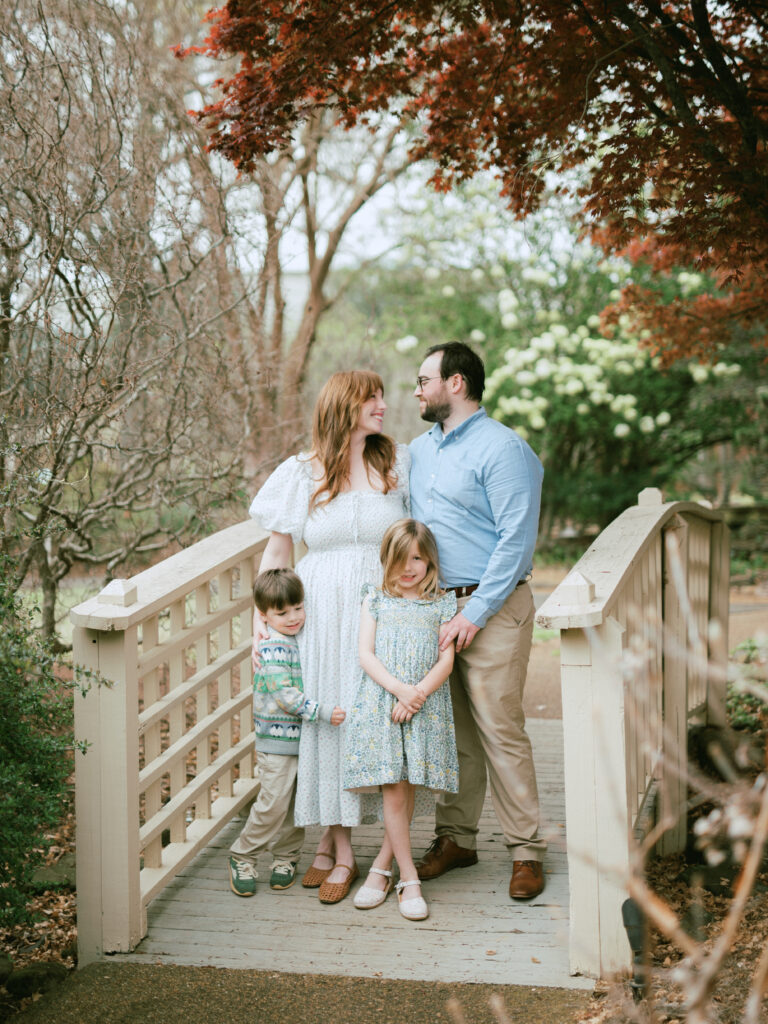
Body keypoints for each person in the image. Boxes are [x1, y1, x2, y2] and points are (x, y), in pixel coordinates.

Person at [248, 370, 410, 904]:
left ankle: (356, 846)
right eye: (373, 398)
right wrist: (262, 625)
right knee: (330, 717)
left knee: (370, 719)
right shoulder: (302, 471)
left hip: (380, 609)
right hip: (319, 610)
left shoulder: (395, 463)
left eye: (383, 396)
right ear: (346, 405)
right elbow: (277, 555)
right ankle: (340, 849)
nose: (383, 405)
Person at [409, 341, 547, 900]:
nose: (416, 391)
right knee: (456, 733)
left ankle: (526, 850)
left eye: (424, 380)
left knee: (500, 729)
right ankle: (457, 839)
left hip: (493, 606)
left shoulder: (505, 449)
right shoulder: (418, 450)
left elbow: (516, 541)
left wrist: (477, 613)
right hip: (436, 607)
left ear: (456, 384)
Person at [343, 519, 458, 921]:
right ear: (385, 560)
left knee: (407, 785)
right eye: (400, 559)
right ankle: (410, 878)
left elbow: (447, 660)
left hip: (423, 705)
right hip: (384, 704)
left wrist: (417, 695)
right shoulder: (374, 599)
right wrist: (399, 690)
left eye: (418, 559)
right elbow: (366, 654)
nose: (409, 568)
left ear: (430, 561)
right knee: (393, 787)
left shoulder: (441, 604)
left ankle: (380, 868)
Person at [228, 569, 345, 896]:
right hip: (276, 741)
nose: (294, 617)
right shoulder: (272, 646)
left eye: (298, 608)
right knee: (273, 802)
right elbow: (284, 694)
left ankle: (286, 856)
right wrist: (320, 712)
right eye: (282, 612)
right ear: (263, 615)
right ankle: (243, 854)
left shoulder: (297, 639)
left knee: (296, 802)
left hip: (300, 740)